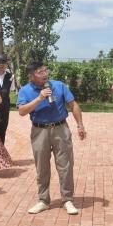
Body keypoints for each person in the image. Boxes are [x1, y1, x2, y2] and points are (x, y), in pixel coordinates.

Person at [17, 62, 86, 215]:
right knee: (41, 167)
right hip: (39, 131)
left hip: (61, 129)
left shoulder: (59, 85)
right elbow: (22, 111)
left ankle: (67, 200)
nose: (45, 74)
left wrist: (80, 125)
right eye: (40, 72)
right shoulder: (25, 90)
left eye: (45, 70)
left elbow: (73, 105)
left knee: (65, 165)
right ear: (31, 76)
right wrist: (40, 98)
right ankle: (43, 200)